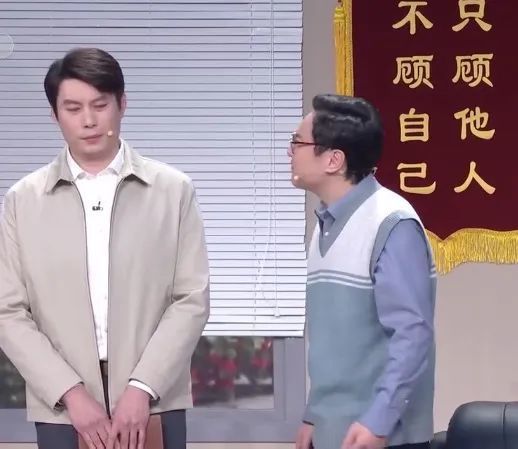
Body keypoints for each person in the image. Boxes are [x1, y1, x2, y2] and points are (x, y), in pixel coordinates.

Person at [0, 47, 210, 449]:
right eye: (73, 108)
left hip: (154, 402)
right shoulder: (23, 200)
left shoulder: (172, 191)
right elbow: (8, 311)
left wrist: (142, 387)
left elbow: (191, 298)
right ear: (54, 115)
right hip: (62, 407)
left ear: (122, 104)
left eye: (100, 105)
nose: (89, 120)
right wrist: (71, 394)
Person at [291, 95, 436, 449]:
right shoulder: (325, 223)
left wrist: (378, 422)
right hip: (332, 430)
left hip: (380, 436)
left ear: (333, 159)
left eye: (297, 142)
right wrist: (314, 414)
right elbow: (336, 343)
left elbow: (412, 334)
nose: (289, 151)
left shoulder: (391, 222)